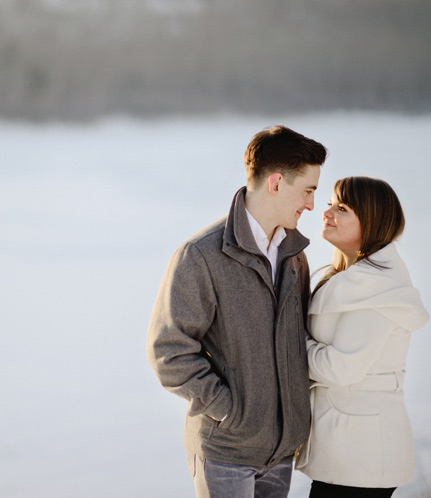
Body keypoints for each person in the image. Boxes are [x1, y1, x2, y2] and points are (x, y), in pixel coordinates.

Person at [147, 125, 327, 498]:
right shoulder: (201, 256)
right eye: (307, 190)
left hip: (280, 451)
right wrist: (227, 410)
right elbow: (169, 349)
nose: (312, 204)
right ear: (276, 183)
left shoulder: (295, 257)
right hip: (225, 451)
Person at [296, 177, 428, 498]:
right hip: (347, 447)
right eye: (329, 203)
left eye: (341, 208)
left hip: (362, 454)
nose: (326, 213)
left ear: (371, 221)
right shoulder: (352, 278)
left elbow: (340, 369)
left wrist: (286, 340)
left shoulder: (377, 289)